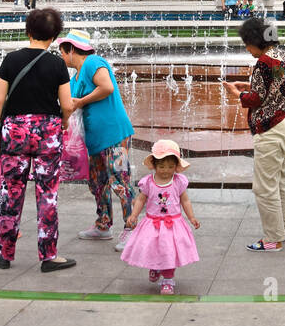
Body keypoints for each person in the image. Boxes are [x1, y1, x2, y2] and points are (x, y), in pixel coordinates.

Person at [0, 7, 78, 271]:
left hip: (14, 131)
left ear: (28, 31)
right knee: (47, 194)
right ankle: (48, 257)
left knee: (11, 192)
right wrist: (62, 123)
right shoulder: (57, 64)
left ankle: (4, 254)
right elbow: (67, 104)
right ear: (54, 37)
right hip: (47, 133)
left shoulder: (11, 60)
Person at [223, 18, 285, 251]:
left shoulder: (264, 62)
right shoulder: (282, 56)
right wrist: (248, 84)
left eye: (247, 43)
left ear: (256, 40)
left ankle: (272, 239)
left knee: (264, 188)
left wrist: (237, 93)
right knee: (278, 183)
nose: (246, 48)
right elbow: (275, 86)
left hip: (271, 131)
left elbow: (255, 99)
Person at [59, 29, 136, 249]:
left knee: (120, 180)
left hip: (115, 135)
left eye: (63, 53)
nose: (62, 58)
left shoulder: (93, 62)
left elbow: (107, 87)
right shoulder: (74, 79)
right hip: (94, 141)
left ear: (72, 50)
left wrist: (80, 102)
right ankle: (103, 225)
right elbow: (70, 108)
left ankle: (131, 228)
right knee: (98, 183)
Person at [121, 139, 201, 295]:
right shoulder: (148, 182)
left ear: (176, 167)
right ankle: (155, 267)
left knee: (169, 251)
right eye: (162, 166)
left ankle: (168, 280)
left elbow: (185, 200)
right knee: (153, 248)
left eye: (171, 167)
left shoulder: (178, 182)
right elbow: (141, 199)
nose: (166, 170)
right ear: (155, 165)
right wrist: (134, 215)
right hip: (152, 222)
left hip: (173, 223)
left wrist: (191, 217)